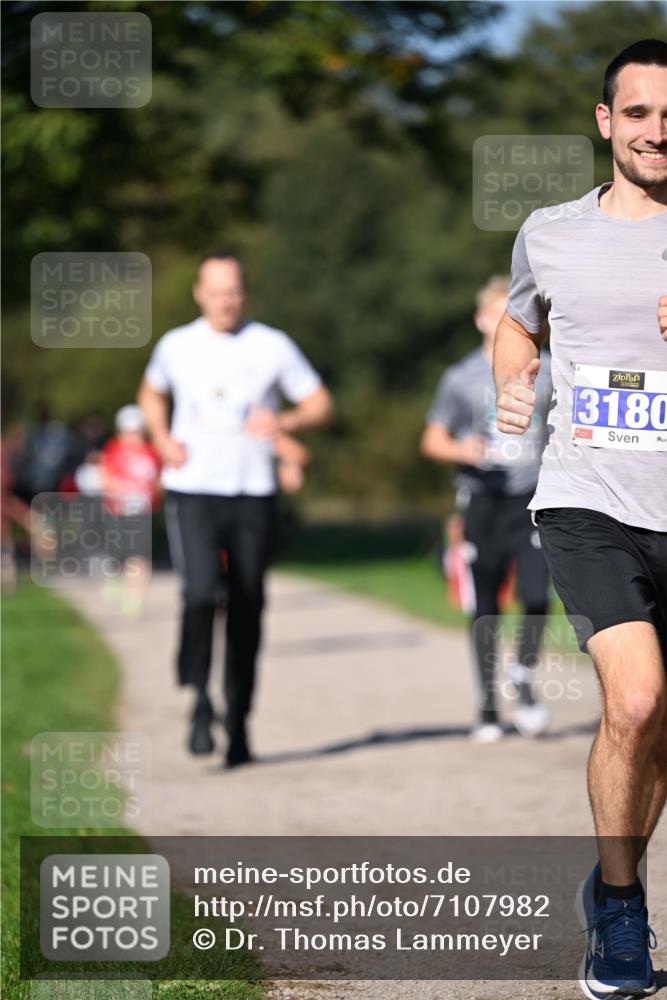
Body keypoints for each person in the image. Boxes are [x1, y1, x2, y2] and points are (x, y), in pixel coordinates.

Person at [494, 39, 666, 1000]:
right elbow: (518, 322)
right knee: (633, 700)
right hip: (587, 498)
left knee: (661, 726)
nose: (654, 132)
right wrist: (509, 385)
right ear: (605, 122)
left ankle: (616, 882)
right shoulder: (550, 231)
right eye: (635, 112)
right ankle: (618, 902)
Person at [138, 251, 333, 767]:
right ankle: (199, 695)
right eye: (216, 290)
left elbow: (319, 404)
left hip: (252, 492)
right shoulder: (176, 346)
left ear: (243, 294)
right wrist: (160, 438)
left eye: (234, 291)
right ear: (199, 293)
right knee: (200, 593)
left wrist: (284, 424)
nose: (225, 300)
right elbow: (150, 394)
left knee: (247, 606)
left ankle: (240, 722)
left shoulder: (272, 345)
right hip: (192, 489)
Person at [421, 276, 553, 742]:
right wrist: (463, 449)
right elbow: (432, 440)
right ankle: (487, 706)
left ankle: (522, 669)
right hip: (482, 501)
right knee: (487, 607)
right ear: (480, 319)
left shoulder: (548, 370)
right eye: (498, 314)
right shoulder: (460, 377)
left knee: (537, 596)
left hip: (533, 498)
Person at [99, 405, 161, 616]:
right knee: (117, 556)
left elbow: (158, 482)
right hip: (117, 511)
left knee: (139, 557)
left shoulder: (151, 453)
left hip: (141, 513)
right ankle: (115, 579)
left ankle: (133, 599)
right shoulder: (113, 449)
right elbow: (105, 480)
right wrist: (123, 491)